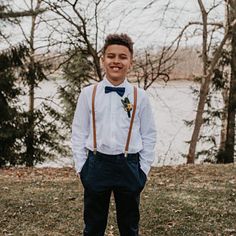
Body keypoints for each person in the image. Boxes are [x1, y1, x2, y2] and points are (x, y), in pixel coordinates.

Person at [72, 33, 157, 236]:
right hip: (96, 165)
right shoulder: (88, 94)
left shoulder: (140, 97)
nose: (116, 61)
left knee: (129, 226)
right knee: (93, 226)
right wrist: (81, 167)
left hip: (129, 166)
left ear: (130, 62)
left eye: (122, 57)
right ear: (103, 60)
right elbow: (78, 132)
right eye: (111, 56)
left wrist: (143, 170)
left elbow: (149, 134)